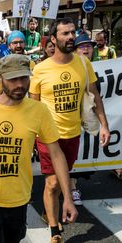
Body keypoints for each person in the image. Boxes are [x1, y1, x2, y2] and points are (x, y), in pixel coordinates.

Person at [0, 54, 78, 243]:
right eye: (13, 79)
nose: (20, 84)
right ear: (0, 79)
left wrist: (67, 196)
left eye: (24, 78)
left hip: (19, 200)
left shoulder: (39, 111)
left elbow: (56, 153)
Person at [29, 18, 110, 242]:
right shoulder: (41, 69)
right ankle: (55, 230)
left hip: (73, 134)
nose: (71, 37)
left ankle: (50, 208)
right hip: (48, 136)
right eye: (65, 33)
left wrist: (104, 125)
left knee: (61, 180)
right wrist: (31, 135)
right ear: (53, 39)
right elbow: (33, 105)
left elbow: (94, 96)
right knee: (53, 182)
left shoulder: (83, 64)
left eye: (73, 32)